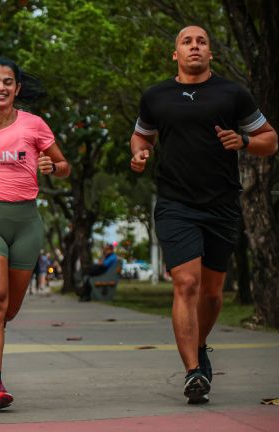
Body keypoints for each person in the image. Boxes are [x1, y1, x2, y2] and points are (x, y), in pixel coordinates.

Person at [130, 26, 277, 404]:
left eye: (202, 41)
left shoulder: (232, 93)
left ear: (210, 53)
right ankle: (193, 371)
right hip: (175, 202)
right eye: (186, 41)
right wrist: (141, 153)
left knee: (212, 293)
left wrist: (243, 140)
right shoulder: (156, 96)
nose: (194, 46)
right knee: (187, 284)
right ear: (175, 54)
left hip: (221, 204)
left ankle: (201, 343)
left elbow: (270, 141)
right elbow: (142, 135)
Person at [0, 57, 71, 411]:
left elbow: (63, 166)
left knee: (8, 310)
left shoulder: (34, 125)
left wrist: (52, 167)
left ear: (17, 88)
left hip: (25, 222)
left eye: (8, 82)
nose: (1, 87)